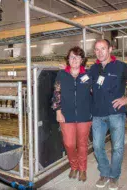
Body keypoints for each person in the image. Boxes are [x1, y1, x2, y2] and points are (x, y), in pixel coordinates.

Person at [89, 39, 127, 190]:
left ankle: (114, 176)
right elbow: (86, 85)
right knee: (97, 145)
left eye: (103, 48)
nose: (99, 52)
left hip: (116, 114)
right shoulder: (93, 69)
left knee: (118, 147)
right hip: (97, 115)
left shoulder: (121, 67)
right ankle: (104, 172)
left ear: (110, 49)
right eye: (96, 49)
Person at [52, 46, 92, 182]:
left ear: (82, 60)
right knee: (69, 144)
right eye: (71, 57)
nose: (74, 59)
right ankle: (73, 165)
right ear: (68, 59)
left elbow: (95, 92)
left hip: (84, 116)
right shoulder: (62, 74)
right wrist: (58, 111)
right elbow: (56, 93)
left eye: (77, 57)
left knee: (82, 144)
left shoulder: (88, 75)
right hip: (66, 115)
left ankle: (82, 169)